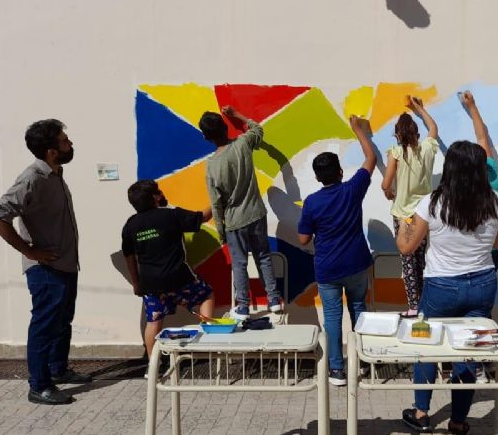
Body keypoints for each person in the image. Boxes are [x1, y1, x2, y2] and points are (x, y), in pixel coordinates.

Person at [395, 141, 498, 434]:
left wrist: (406, 221)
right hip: (483, 283)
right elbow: (496, 244)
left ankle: (421, 413)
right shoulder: (495, 202)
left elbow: (407, 248)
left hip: (441, 286)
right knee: (467, 351)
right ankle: (458, 421)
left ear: (450, 169)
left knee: (426, 344)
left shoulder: (432, 202)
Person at [0, 119, 90, 405]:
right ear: (51, 150)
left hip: (66, 265)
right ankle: (39, 385)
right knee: (44, 326)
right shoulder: (32, 177)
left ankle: (58, 371)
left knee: (62, 321)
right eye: (65, 141)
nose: (70, 144)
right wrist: (29, 251)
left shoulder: (54, 174)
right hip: (46, 271)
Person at [297, 116, 376, 386]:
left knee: (332, 317)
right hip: (356, 263)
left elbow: (304, 238)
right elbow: (370, 160)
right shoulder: (353, 190)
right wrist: (359, 132)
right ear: (341, 172)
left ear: (318, 178)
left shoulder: (312, 202)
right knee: (359, 310)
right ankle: (363, 360)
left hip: (328, 269)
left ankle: (337, 370)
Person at [199, 106, 282, 320]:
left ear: (206, 137)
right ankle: (274, 300)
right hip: (256, 212)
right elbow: (258, 130)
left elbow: (216, 204)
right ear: (225, 127)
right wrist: (237, 116)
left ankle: (243, 307)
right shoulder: (242, 144)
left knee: (240, 263)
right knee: (263, 257)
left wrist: (220, 230)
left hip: (234, 221)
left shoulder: (211, 166)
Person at [121, 180, 216, 365]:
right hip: (179, 278)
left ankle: (152, 364)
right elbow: (202, 217)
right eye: (158, 191)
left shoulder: (130, 225)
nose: (162, 193)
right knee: (207, 295)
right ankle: (208, 342)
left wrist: (136, 282)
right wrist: (216, 200)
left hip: (150, 284)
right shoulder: (170, 216)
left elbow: (129, 256)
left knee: (154, 321)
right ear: (154, 197)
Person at [381, 96, 439, 317]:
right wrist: (418, 109)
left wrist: (389, 192)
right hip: (423, 214)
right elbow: (433, 127)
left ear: (398, 135)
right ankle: (424, 302)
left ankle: (414, 306)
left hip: (402, 215)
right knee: (422, 258)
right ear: (417, 133)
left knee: (408, 262)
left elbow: (386, 184)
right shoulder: (427, 148)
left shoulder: (395, 152)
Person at [459, 90, 498, 270]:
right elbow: (482, 137)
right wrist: (472, 107)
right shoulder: (492, 177)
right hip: (491, 252)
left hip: (469, 254)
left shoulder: (463, 191)